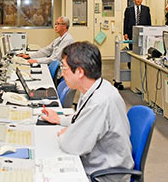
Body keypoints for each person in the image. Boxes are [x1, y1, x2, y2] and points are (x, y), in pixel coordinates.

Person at [41, 42, 133, 181]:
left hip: (105, 174)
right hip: (100, 161)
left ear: (79, 72)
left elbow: (71, 145)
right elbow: (81, 117)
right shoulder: (97, 87)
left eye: (64, 68)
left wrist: (68, 133)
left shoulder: (100, 101)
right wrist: (60, 120)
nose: (62, 73)